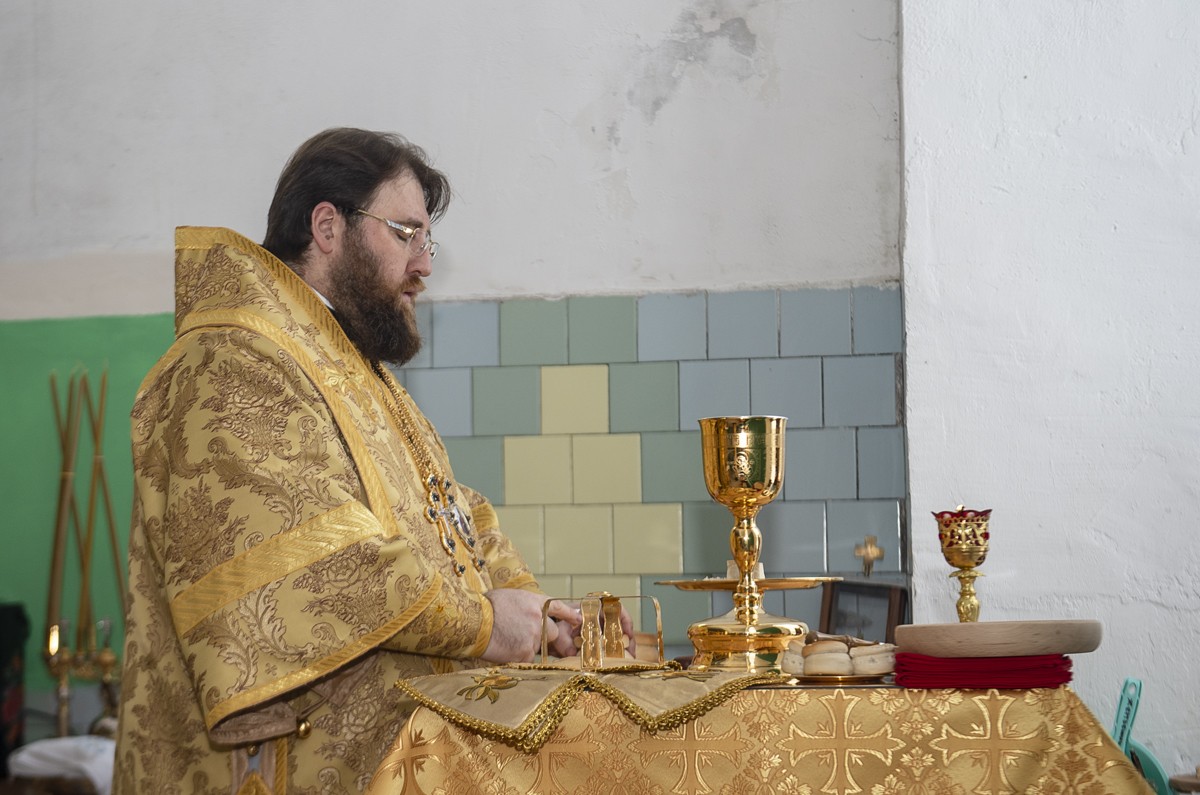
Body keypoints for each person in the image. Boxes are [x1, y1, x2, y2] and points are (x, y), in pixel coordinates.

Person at [112, 128, 611, 794]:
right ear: (327, 227)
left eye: (427, 241)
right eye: (406, 233)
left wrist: (541, 614)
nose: (424, 264)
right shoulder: (231, 361)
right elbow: (322, 565)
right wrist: (488, 625)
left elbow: (454, 518)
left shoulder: (353, 372)